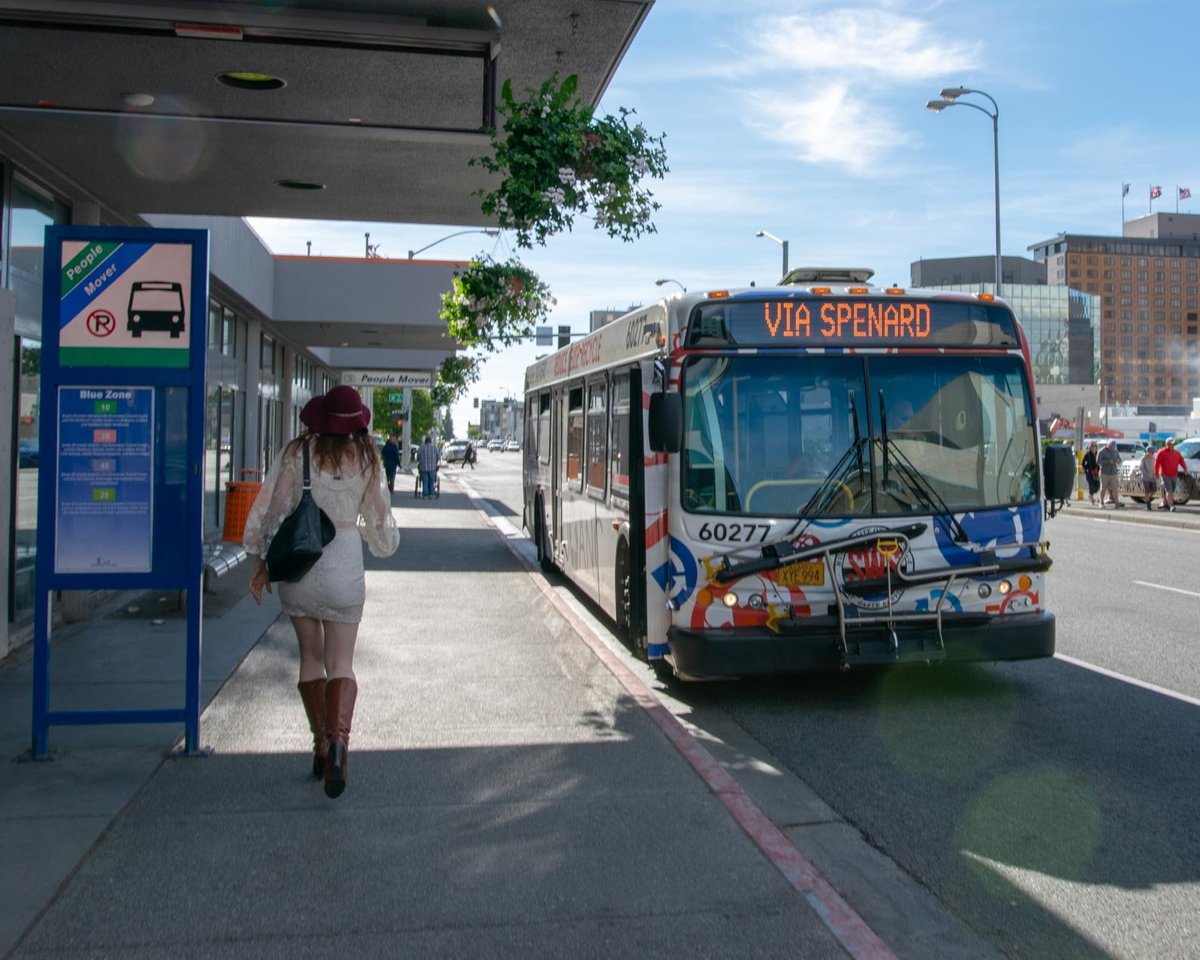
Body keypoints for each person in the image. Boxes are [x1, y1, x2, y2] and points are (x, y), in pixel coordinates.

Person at [243, 385, 400, 799]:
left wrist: (261, 560)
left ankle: (319, 743)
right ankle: (339, 744)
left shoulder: (299, 453)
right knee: (341, 662)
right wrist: (376, 533)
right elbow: (380, 521)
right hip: (345, 563)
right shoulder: (367, 458)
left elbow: (274, 509)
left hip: (301, 564)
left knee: (310, 658)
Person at [1155, 436, 1187, 511]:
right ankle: (1171, 506)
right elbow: (1156, 463)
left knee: (1171, 489)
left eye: (1173, 444)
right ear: (1167, 444)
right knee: (1169, 489)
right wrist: (1156, 472)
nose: (1173, 445)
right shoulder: (1161, 452)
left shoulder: (1176, 452)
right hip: (1164, 474)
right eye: (1171, 444)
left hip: (1173, 474)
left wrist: (1185, 468)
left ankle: (1164, 503)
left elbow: (1181, 460)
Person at [1097, 439, 1124, 508]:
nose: (1112, 448)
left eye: (1113, 447)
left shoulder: (1115, 451)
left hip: (1113, 473)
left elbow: (1119, 460)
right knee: (1103, 488)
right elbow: (1098, 461)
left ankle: (1117, 502)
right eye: (1111, 447)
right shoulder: (1102, 451)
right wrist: (1108, 461)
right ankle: (1101, 502)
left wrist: (1116, 461)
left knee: (1114, 488)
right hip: (1104, 473)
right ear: (1107, 445)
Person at [417, 434, 439, 498]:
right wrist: (435, 462)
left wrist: (421, 460)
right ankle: (431, 494)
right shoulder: (434, 447)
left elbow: (418, 457)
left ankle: (425, 495)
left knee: (425, 481)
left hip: (423, 467)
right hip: (432, 467)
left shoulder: (421, 447)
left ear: (425, 442)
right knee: (431, 481)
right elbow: (438, 456)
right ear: (431, 441)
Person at [1138, 445, 1158, 511]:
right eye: (1152, 452)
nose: (1153, 453)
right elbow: (1141, 467)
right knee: (1147, 491)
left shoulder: (1153, 458)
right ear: (1148, 451)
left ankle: (1147, 498)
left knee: (1154, 489)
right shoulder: (1143, 458)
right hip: (1146, 477)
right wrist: (1145, 473)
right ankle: (1148, 505)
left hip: (1153, 477)